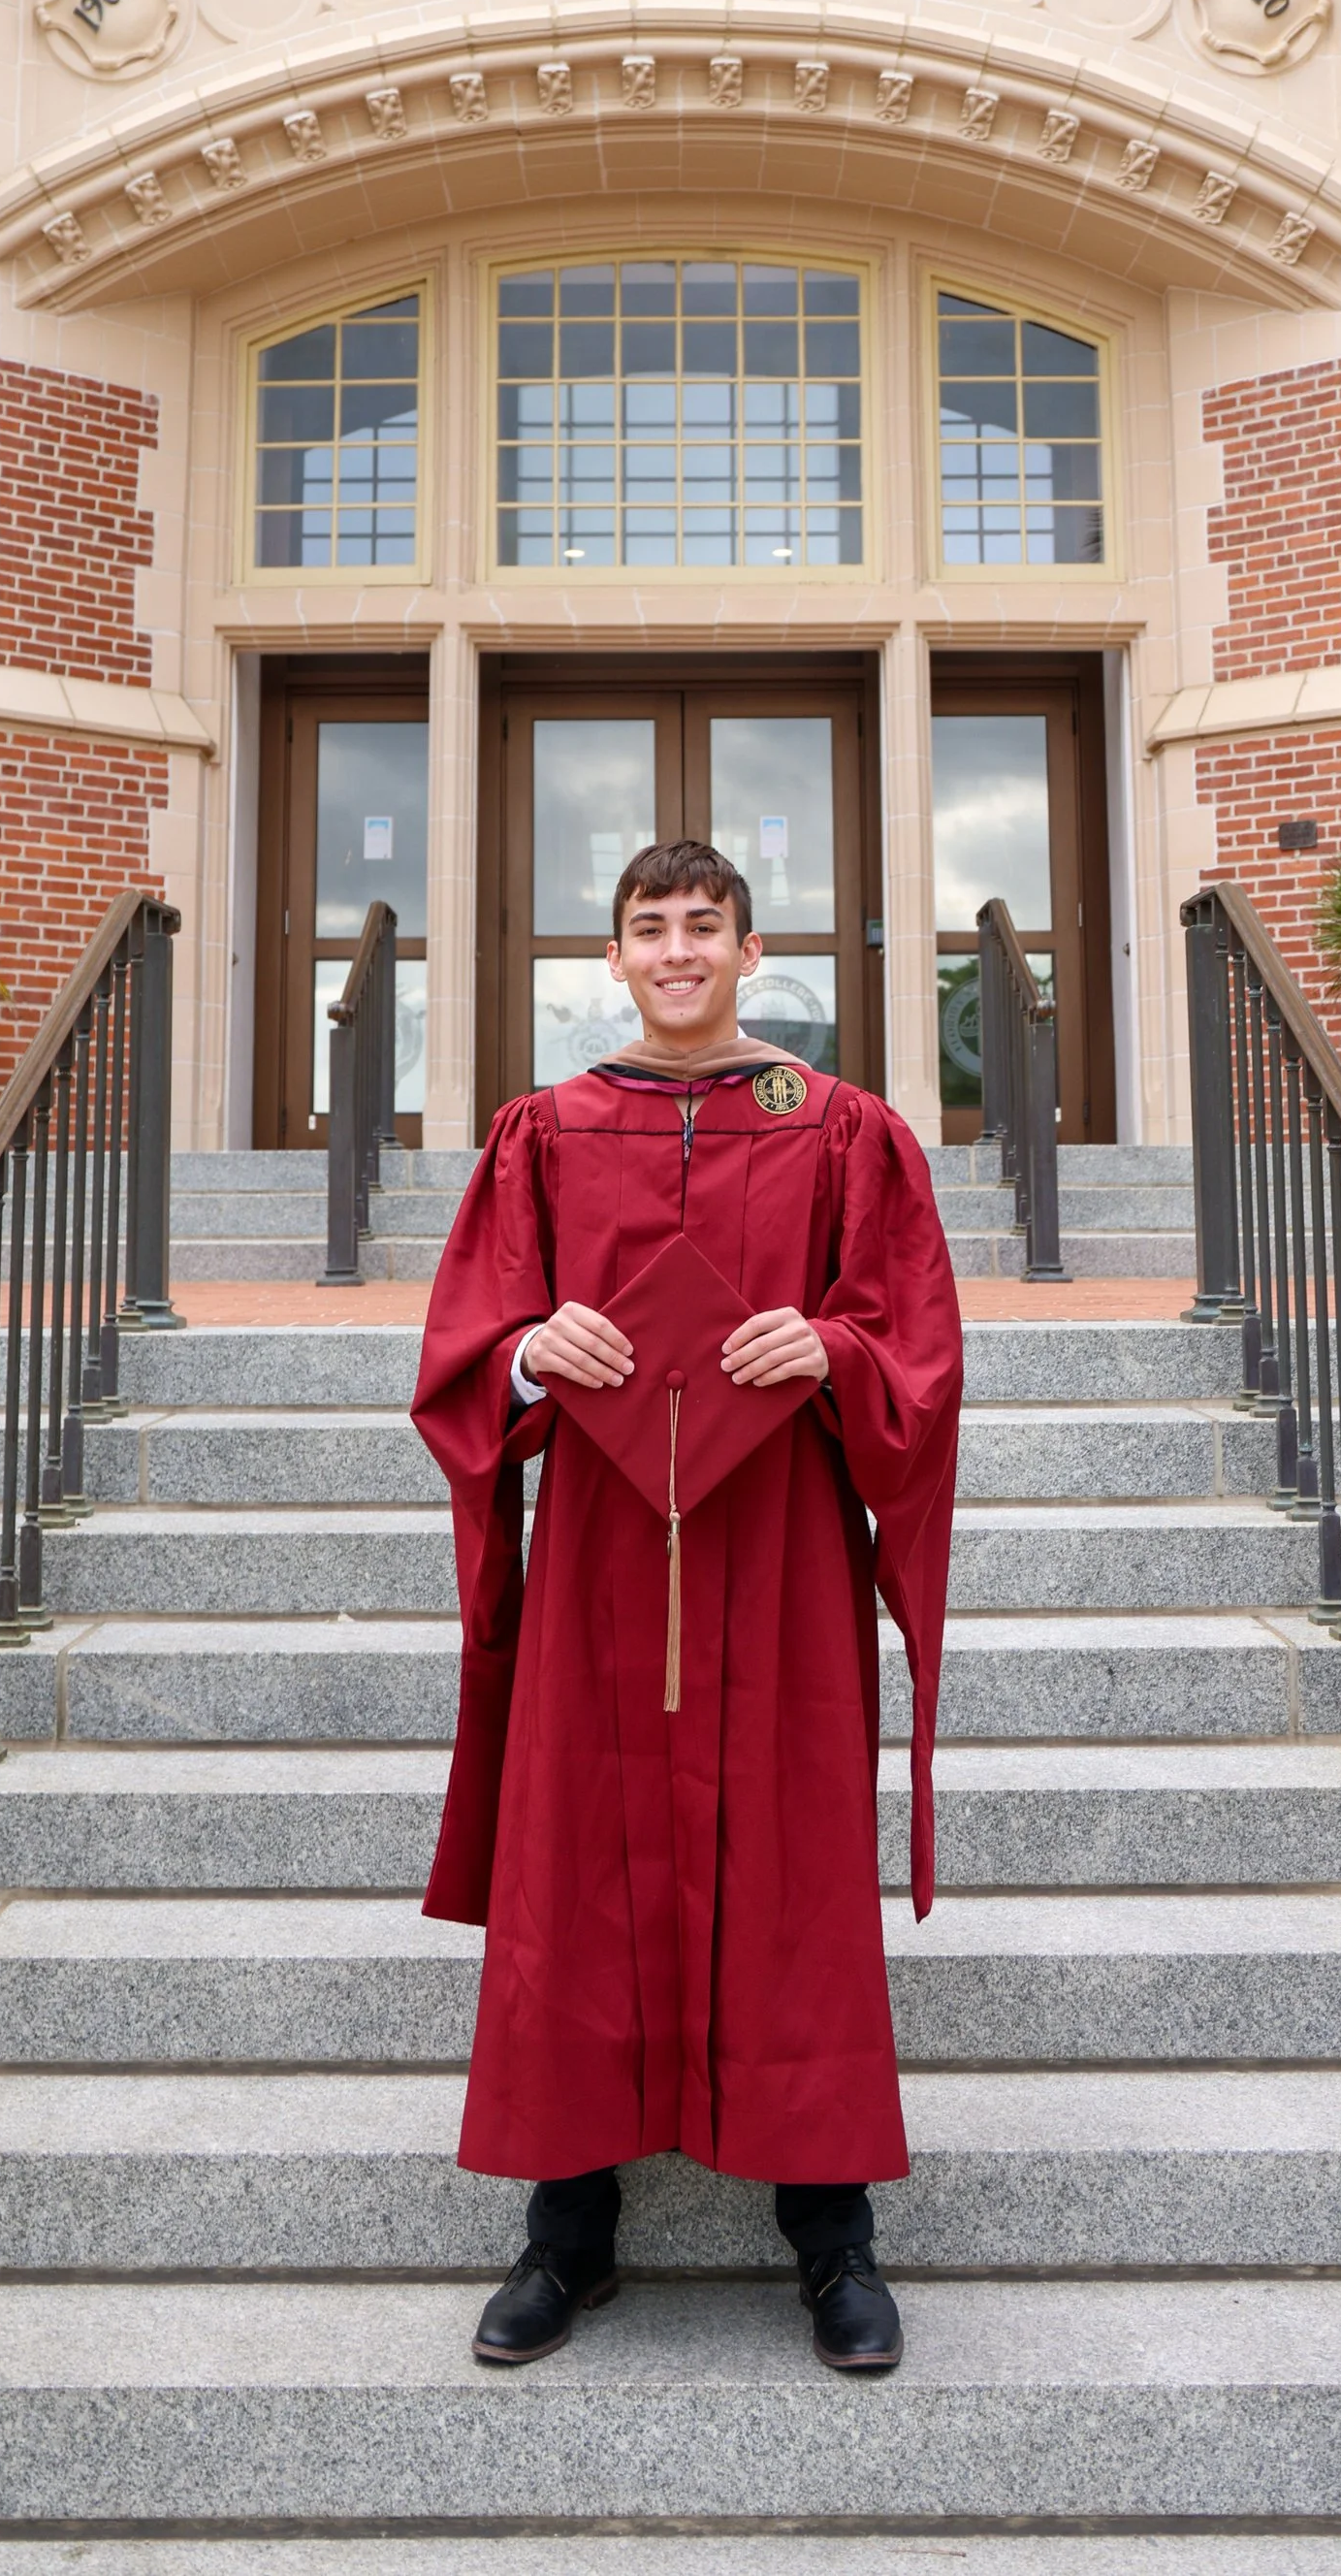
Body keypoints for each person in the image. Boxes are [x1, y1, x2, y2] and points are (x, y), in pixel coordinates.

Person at [412, 838, 965, 2377]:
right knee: (575, 1869)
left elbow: (913, 1349)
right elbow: (468, 1351)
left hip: (778, 1555)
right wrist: (532, 1352)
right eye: (649, 927)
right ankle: (567, 2231)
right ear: (612, 957)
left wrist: (833, 1353)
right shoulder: (544, 1134)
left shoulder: (841, 1130)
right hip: (600, 1563)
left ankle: (833, 2236)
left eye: (702, 925)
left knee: (795, 1876)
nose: (676, 950)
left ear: (750, 948)